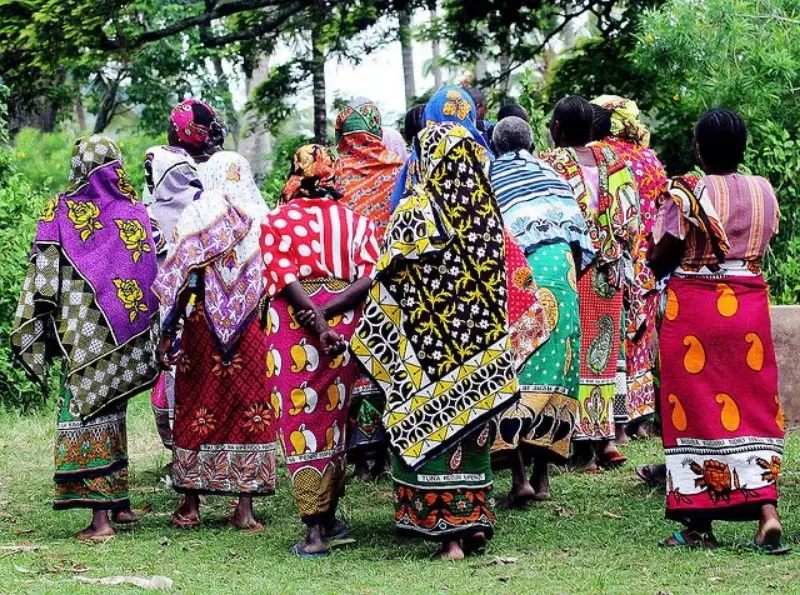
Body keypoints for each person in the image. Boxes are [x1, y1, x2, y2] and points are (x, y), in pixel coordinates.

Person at [352, 122, 518, 561]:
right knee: (474, 437)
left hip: (429, 355)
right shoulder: (486, 210)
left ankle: (451, 538)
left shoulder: (418, 208)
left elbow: (384, 273)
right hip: (482, 355)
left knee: (436, 436)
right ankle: (475, 522)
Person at [649, 109, 787, 553]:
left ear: (699, 149)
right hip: (749, 307)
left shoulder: (689, 191)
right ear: (743, 148)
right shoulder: (764, 190)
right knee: (753, 406)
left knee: (694, 410)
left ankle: (698, 526)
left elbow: (662, 255)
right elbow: (765, 241)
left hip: (696, 311)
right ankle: (767, 512)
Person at [10, 135, 160, 540]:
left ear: (79, 166)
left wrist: (35, 317)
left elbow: (43, 267)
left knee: (86, 414)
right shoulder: (136, 212)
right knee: (114, 412)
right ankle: (120, 505)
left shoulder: (60, 209)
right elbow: (152, 265)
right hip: (126, 332)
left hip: (84, 331)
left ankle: (100, 522)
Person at [260, 144, 380, 557]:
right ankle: (328, 517)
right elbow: (369, 276)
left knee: (300, 419)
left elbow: (282, 276)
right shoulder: (356, 221)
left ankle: (314, 532)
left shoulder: (276, 221)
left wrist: (313, 318)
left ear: (297, 172)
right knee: (336, 418)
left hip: (292, 328)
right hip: (345, 324)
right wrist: (330, 316)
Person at [153, 154, 278, 532]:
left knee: (196, 407)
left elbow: (180, 279)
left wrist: (167, 333)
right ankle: (245, 509)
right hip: (253, 329)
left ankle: (190, 506)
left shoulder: (197, 213)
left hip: (203, 325)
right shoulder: (262, 216)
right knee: (250, 408)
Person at [489, 117, 594, 504]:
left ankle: (519, 480)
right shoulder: (553, 176)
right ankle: (543, 478)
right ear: (530, 142)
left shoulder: (490, 176)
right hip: (563, 272)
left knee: (512, 370)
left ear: (496, 145)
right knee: (559, 371)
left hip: (520, 278)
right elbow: (584, 243)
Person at [541, 96, 640, 472]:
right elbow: (631, 218)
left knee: (572, 350)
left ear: (559, 130)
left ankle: (581, 448)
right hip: (609, 269)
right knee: (604, 350)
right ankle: (607, 439)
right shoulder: (616, 163)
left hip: (571, 267)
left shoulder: (553, 163)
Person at [335, 98, 405, 480]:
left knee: (352, 363)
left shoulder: (334, 176)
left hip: (344, 285)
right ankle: (389, 447)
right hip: (392, 283)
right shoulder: (400, 172)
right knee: (389, 361)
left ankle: (358, 456)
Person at [591, 96, 667, 441]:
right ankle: (641, 419)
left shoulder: (601, 155)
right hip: (649, 265)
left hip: (613, 263)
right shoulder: (651, 160)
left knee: (612, 339)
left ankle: (613, 418)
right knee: (640, 340)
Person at [144, 145, 201, 450]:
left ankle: (182, 452)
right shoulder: (208, 206)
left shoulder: (150, 216)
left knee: (175, 379)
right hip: (210, 308)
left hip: (173, 310)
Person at [390, 85, 493, 212]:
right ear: (470, 114)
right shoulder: (483, 157)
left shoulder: (416, 159)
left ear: (428, 117)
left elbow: (396, 208)